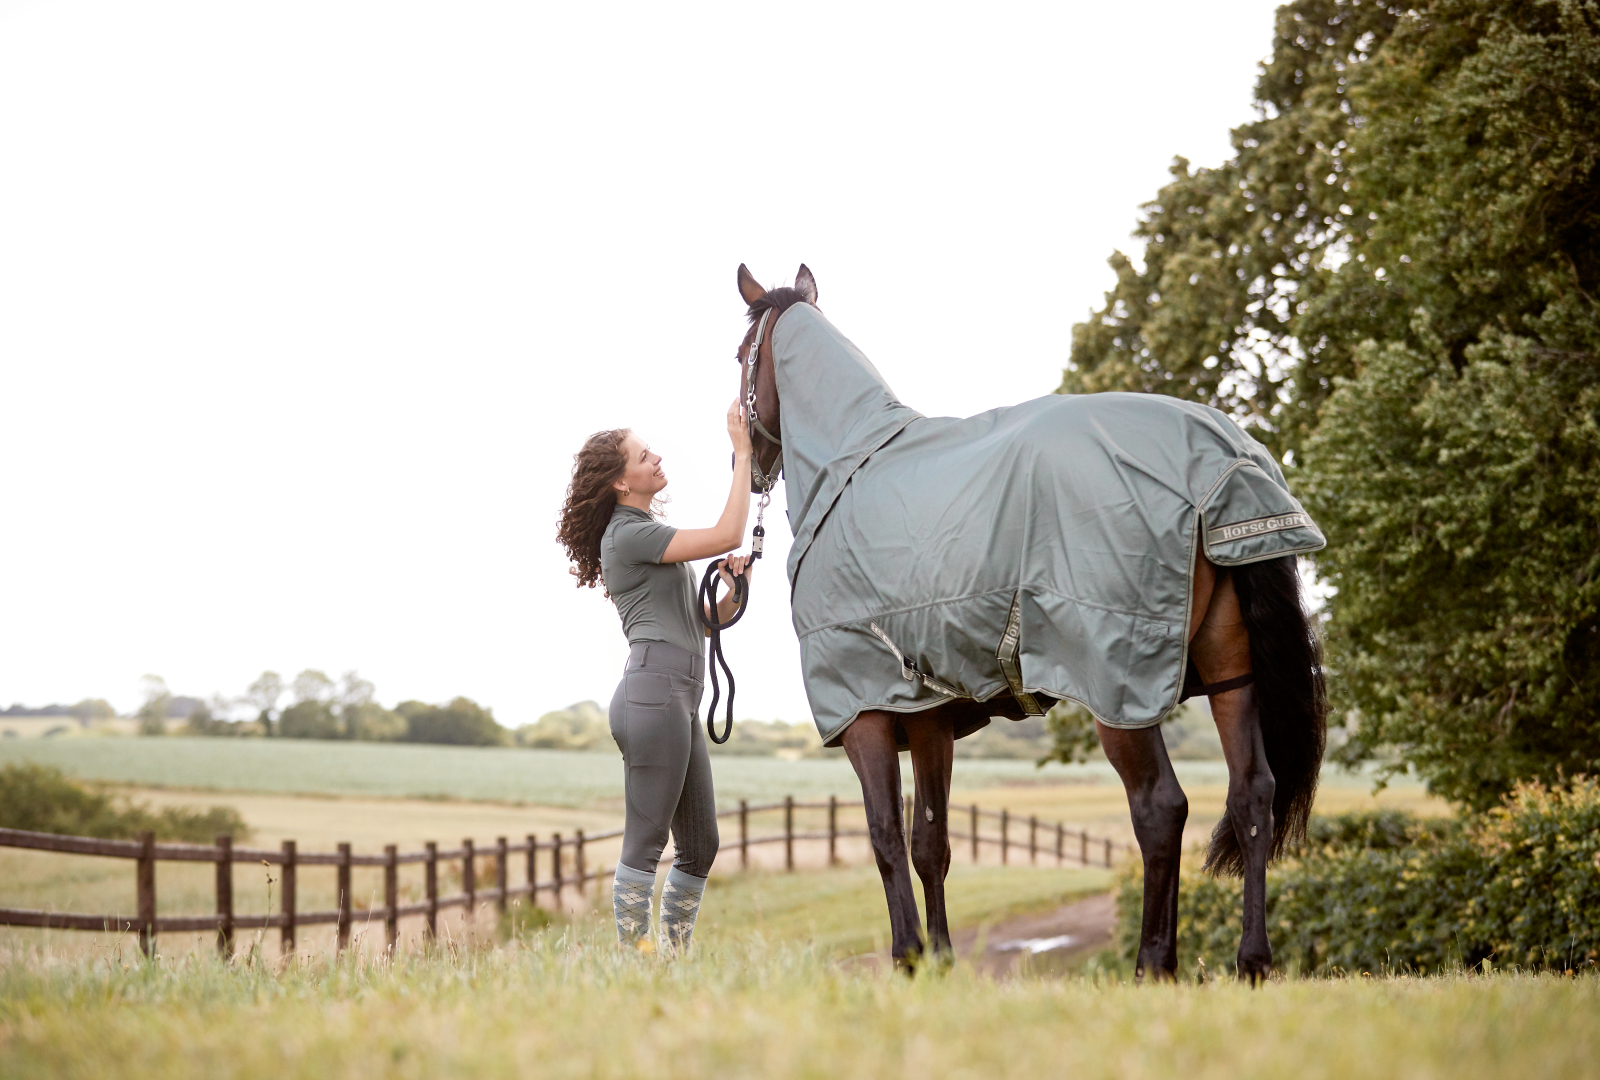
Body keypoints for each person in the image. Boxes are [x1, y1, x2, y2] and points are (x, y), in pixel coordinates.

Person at [556, 401, 755, 951]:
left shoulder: (645, 531)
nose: (657, 458)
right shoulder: (626, 534)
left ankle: (672, 959)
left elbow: (703, 621)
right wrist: (743, 454)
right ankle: (633, 963)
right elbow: (728, 532)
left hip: (676, 696)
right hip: (655, 695)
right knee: (646, 844)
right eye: (644, 456)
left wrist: (735, 588)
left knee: (701, 845)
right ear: (622, 482)